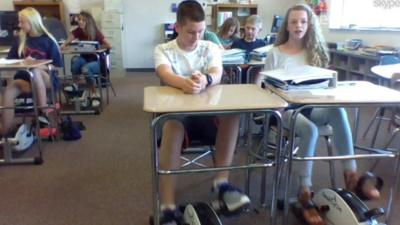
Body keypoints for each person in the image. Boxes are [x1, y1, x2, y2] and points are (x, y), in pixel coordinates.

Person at [264, 4, 381, 225]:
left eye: (303, 22)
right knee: (309, 130)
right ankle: (304, 191)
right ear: (286, 26)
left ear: (309, 25)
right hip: (287, 110)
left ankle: (351, 176)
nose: (298, 25)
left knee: (338, 110)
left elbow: (325, 88)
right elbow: (265, 87)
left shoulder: (314, 51)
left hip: (312, 106)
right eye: (294, 22)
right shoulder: (276, 53)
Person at [154, 1, 250, 224]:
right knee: (172, 124)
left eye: (201, 31)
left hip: (205, 113)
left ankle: (221, 184)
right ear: (177, 27)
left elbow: (216, 72)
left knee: (231, 114)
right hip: (176, 115)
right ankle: (167, 207)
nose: (196, 38)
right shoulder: (163, 49)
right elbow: (165, 73)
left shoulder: (209, 47)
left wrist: (206, 79)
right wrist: (184, 82)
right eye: (190, 32)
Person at [1, 7, 62, 136]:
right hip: (26, 80)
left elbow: (57, 66)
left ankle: (43, 113)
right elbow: (11, 61)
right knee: (9, 90)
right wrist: (22, 62)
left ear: (31, 22)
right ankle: (4, 132)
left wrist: (37, 64)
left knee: (35, 70)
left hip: (47, 80)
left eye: (22, 22)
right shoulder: (20, 40)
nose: (19, 25)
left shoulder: (48, 40)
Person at [61, 11, 112, 108]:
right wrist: (63, 45)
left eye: (83, 20)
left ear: (88, 22)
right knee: (75, 60)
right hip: (84, 59)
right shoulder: (78, 31)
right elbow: (69, 40)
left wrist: (97, 47)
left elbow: (109, 45)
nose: (80, 22)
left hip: (97, 62)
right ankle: (75, 85)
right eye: (79, 19)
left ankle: (94, 93)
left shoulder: (96, 32)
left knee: (86, 68)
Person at [231, 15, 267, 83]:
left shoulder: (263, 44)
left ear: (259, 30)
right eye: (248, 28)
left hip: (257, 78)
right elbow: (232, 66)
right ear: (244, 27)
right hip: (240, 79)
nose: (250, 31)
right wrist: (250, 63)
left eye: (253, 29)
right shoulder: (237, 43)